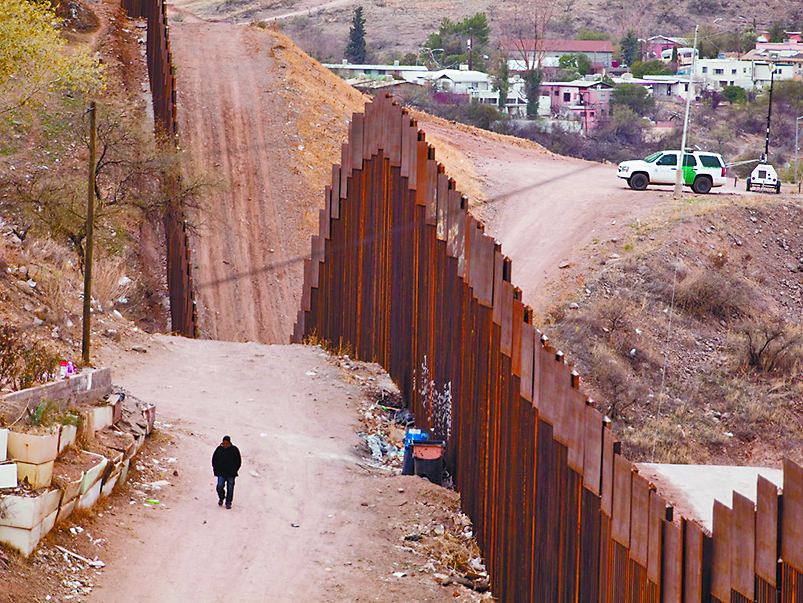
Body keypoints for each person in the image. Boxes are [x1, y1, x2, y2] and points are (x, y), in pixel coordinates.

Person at [212, 435, 241, 509]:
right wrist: (216, 470)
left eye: (226, 443)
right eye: (224, 443)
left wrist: (235, 470)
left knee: (230, 488)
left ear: (229, 443)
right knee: (219, 486)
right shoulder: (219, 450)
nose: (225, 445)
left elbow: (238, 461)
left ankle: (228, 502)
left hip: (231, 474)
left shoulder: (234, 450)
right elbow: (214, 460)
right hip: (221, 473)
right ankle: (221, 497)